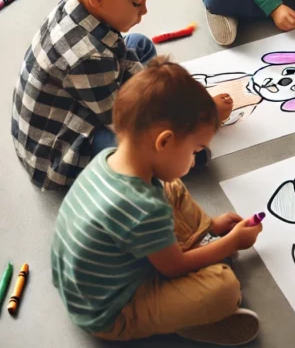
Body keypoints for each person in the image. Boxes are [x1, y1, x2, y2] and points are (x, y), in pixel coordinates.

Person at [51, 58, 261, 345]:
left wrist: (211, 225)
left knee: (169, 186)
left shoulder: (107, 160)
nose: (194, 159)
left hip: (89, 284)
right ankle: (187, 322)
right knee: (224, 289)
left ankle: (200, 239)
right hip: (112, 312)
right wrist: (232, 242)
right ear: (164, 143)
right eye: (195, 150)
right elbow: (173, 268)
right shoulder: (142, 208)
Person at [11, 0, 172, 189]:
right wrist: (183, 119)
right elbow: (121, 121)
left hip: (67, 107)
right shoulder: (88, 59)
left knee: (139, 44)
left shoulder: (78, 5)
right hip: (55, 157)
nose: (144, 12)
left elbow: (121, 52)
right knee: (144, 154)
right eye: (137, 3)